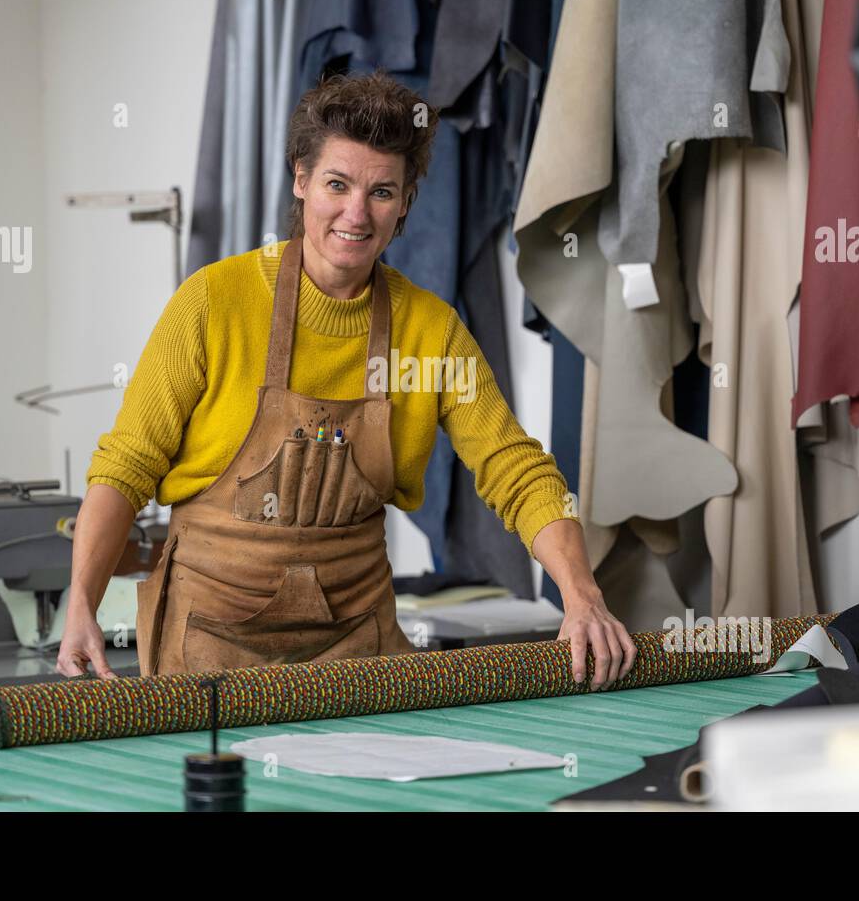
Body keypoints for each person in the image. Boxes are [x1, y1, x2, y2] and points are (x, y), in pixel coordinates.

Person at [57, 70, 637, 690]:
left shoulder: (431, 330)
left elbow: (515, 470)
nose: (356, 214)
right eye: (338, 184)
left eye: (382, 192)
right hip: (207, 656)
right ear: (302, 181)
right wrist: (81, 606)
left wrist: (581, 596)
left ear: (406, 204)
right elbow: (126, 465)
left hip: (360, 660)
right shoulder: (212, 302)